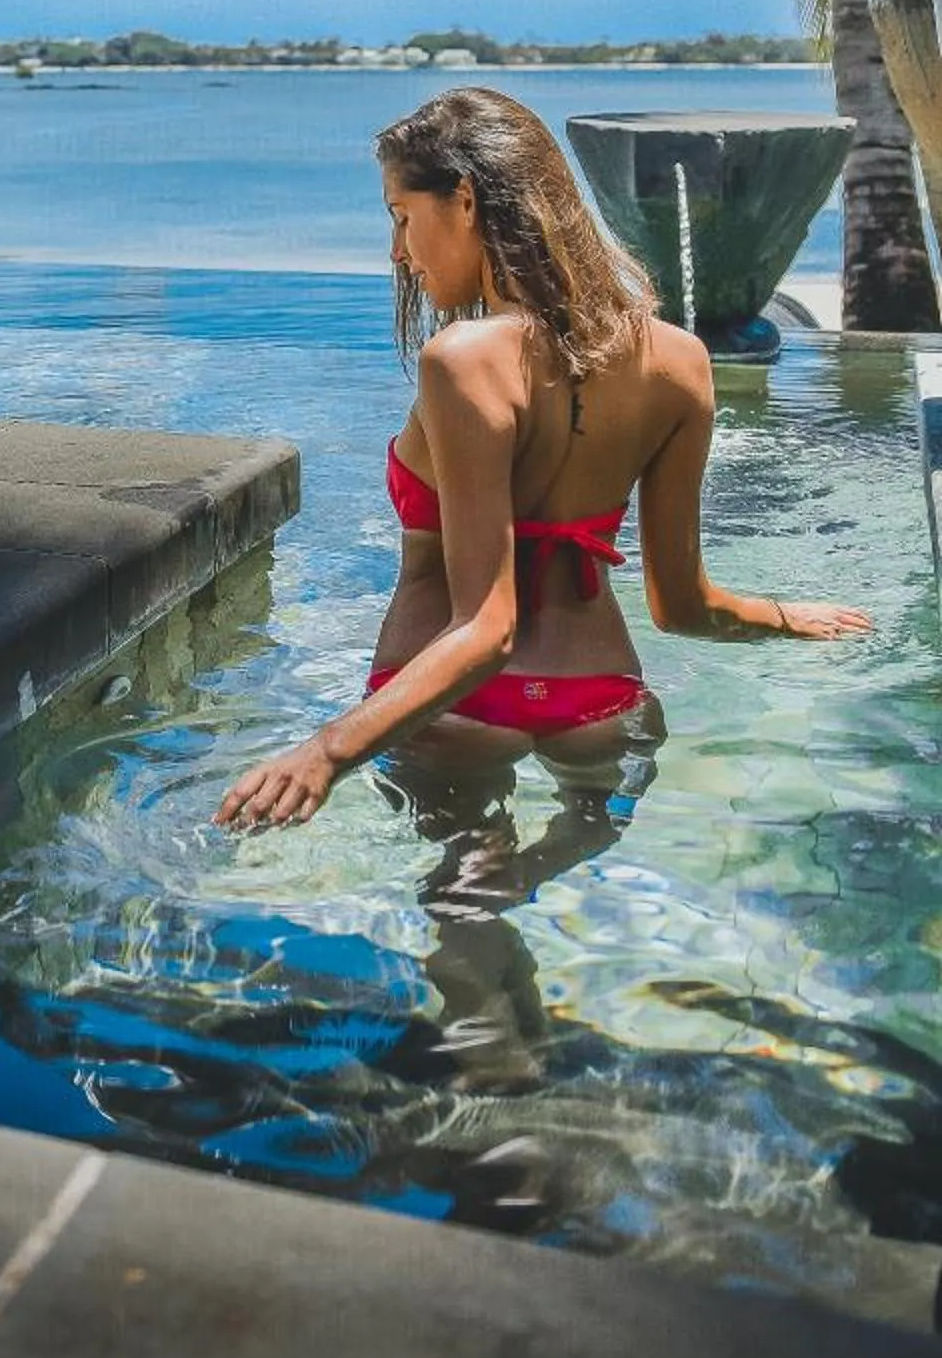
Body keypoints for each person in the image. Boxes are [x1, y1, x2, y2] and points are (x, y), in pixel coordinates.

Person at [218, 87, 871, 834]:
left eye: (402, 217)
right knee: (567, 882)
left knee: (467, 912)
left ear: (464, 201)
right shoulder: (680, 360)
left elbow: (487, 630)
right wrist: (788, 617)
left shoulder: (463, 359)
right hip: (603, 701)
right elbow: (684, 608)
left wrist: (328, 751)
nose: (399, 251)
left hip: (451, 704)